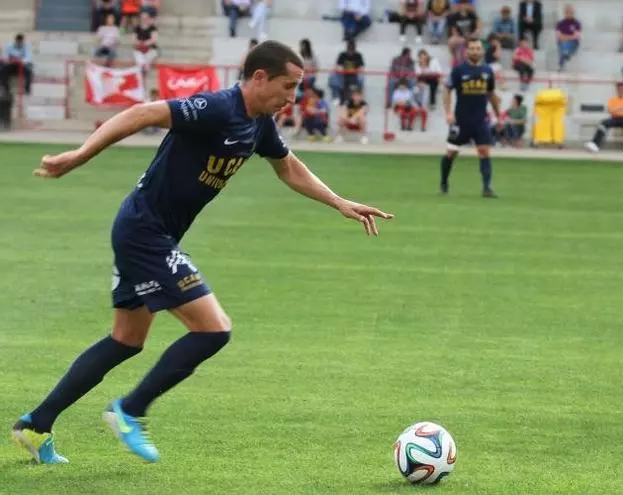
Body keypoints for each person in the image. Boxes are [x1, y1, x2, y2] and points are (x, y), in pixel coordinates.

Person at [11, 40, 393, 465]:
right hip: (144, 233)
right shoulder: (216, 108)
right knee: (214, 329)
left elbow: (288, 166)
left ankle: (36, 423)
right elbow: (142, 113)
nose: (293, 96)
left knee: (126, 340)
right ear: (260, 78)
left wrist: (339, 202)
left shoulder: (259, 123)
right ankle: (130, 411)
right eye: (289, 86)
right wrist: (81, 155)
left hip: (148, 233)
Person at [440, 37, 501, 198]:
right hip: (461, 120)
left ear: (482, 51)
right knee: (451, 153)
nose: (475, 51)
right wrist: (448, 113)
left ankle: (487, 188)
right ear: (466, 51)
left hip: (480, 120)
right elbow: (447, 90)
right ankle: (444, 183)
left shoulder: (488, 71)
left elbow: (491, 94)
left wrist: (498, 114)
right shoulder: (458, 70)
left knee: (484, 151)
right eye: (472, 48)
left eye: (478, 48)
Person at [585, 83, 623, 155]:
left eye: (622, 89)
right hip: (615, 118)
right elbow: (610, 110)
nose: (621, 91)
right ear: (617, 90)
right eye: (619, 89)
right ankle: (595, 144)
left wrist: (618, 108)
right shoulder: (612, 100)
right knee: (603, 123)